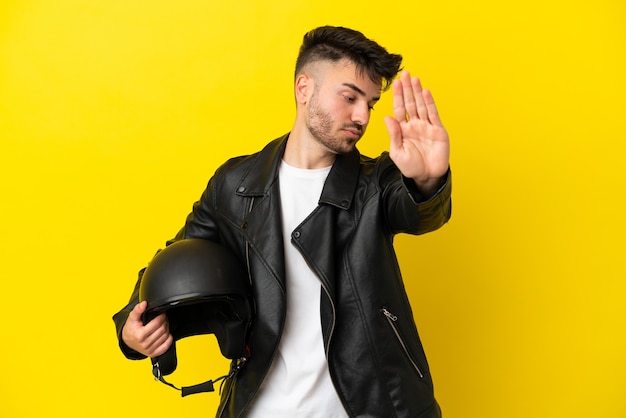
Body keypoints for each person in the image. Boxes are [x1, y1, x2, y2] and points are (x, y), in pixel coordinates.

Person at [113, 25, 451, 418]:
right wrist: (132, 324)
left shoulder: (375, 184)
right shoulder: (235, 186)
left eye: (371, 104)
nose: (362, 116)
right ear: (303, 88)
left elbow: (417, 208)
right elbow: (176, 259)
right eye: (350, 97)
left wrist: (427, 178)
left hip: (368, 407)